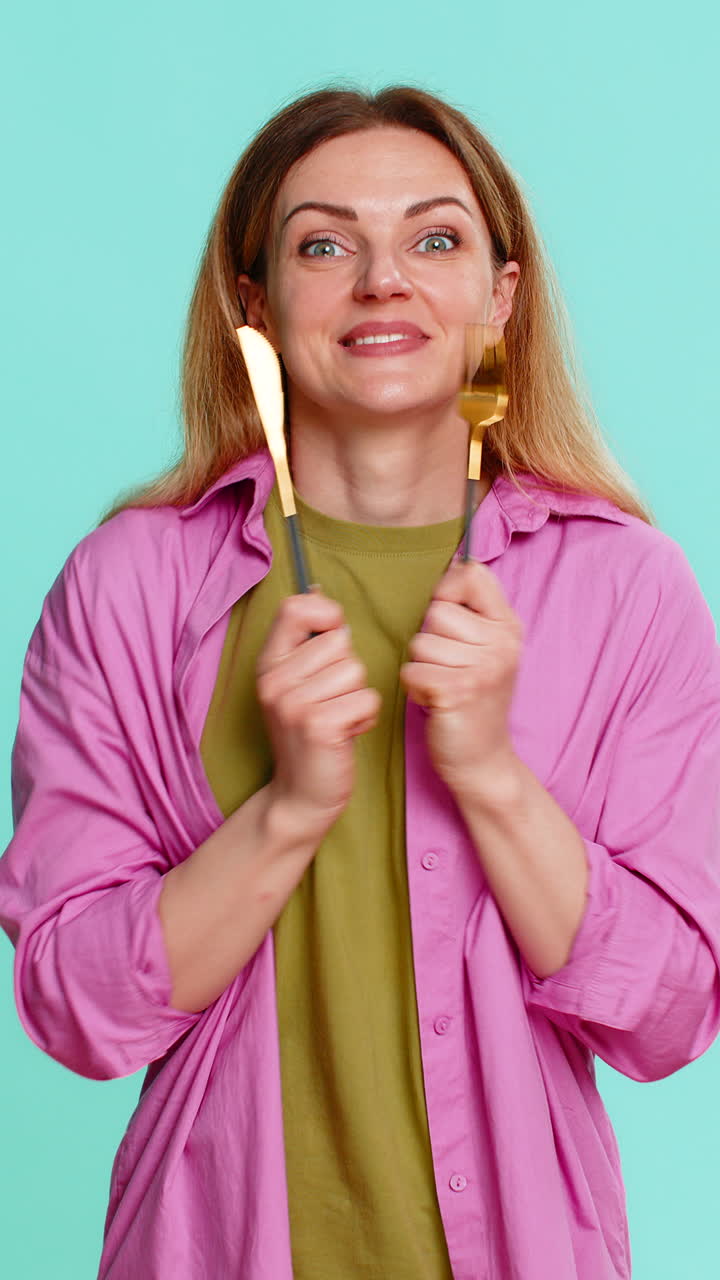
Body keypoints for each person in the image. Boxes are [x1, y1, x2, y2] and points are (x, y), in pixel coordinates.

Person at [1, 85, 719, 1280]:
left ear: (501, 293)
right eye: (324, 243)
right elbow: (76, 1007)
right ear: (257, 306)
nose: (384, 279)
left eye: (434, 238)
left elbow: (668, 1012)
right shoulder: (126, 580)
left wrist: (489, 774)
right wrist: (286, 811)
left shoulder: (629, 587)